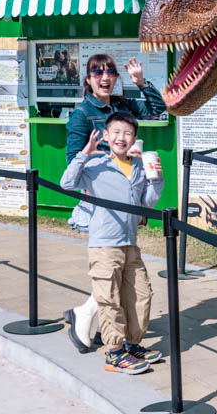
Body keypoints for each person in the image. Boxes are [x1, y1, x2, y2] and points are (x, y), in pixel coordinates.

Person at [63, 54, 166, 352]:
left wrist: (141, 83)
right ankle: (105, 337)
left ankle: (86, 317)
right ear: (88, 79)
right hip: (102, 199)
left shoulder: (122, 105)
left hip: (128, 190)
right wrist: (107, 158)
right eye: (97, 72)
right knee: (111, 277)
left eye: (109, 71)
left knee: (123, 277)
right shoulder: (82, 114)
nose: (105, 77)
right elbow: (74, 163)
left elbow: (158, 111)